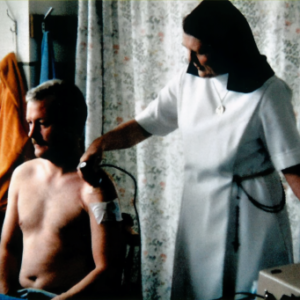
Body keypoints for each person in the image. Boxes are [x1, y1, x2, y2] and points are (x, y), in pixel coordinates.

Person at [79, 0, 300, 299]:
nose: (191, 59)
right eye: (187, 49)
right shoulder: (186, 82)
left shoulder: (269, 92)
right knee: (197, 288)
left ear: (228, 46)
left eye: (199, 50)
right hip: (198, 209)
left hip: (250, 216)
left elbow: (293, 169)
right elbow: (146, 124)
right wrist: (100, 144)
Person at [0, 80, 124, 300]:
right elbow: (8, 246)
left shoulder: (96, 187)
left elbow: (108, 269)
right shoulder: (22, 176)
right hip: (17, 295)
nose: (31, 134)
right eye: (29, 122)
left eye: (42, 123)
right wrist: (6, 293)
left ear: (72, 124)